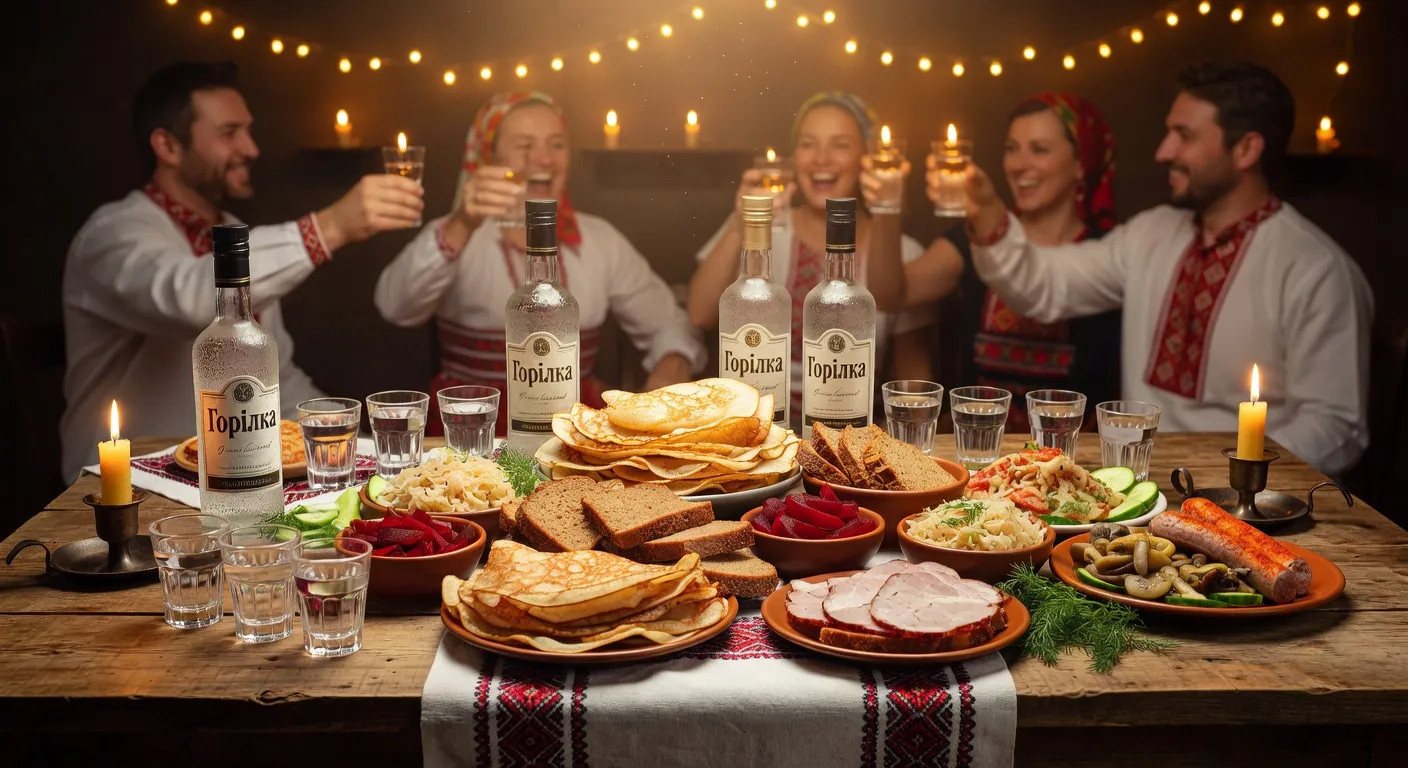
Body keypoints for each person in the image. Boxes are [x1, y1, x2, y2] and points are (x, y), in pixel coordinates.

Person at [959, 62, 1372, 476]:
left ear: (1246, 149)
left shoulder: (1316, 270)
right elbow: (1045, 285)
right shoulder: (1151, 234)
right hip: (1138, 486)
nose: (1164, 152)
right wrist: (988, 211)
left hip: (1250, 505)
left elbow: (1335, 425)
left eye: (1185, 136)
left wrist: (1234, 481)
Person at [60, 62, 423, 480]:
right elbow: (191, 302)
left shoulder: (233, 233)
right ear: (168, 146)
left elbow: (277, 378)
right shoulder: (111, 233)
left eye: (248, 131)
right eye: (229, 133)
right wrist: (329, 228)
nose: (251, 149)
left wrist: (357, 441)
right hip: (126, 484)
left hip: (235, 476)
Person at [374, 92, 705, 436]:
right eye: (524, 145)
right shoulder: (459, 233)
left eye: (556, 144)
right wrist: (462, 223)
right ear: (491, 156)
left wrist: (671, 365)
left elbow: (670, 325)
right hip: (472, 431)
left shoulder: (599, 239)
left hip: (573, 429)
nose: (544, 159)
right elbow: (395, 306)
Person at [865, 93, 1122, 433]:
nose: (1018, 164)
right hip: (979, 449)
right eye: (1011, 148)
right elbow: (889, 294)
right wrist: (887, 208)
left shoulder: (1108, 255)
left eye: (1039, 149)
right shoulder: (975, 236)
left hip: (1074, 457)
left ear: (1081, 163)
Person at [688, 92, 935, 428]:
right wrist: (741, 220)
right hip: (763, 429)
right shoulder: (766, 231)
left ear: (867, 156)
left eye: (840, 144)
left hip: (851, 433)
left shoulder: (899, 249)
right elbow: (700, 313)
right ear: (794, 158)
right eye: (808, 144)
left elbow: (913, 367)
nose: (821, 158)